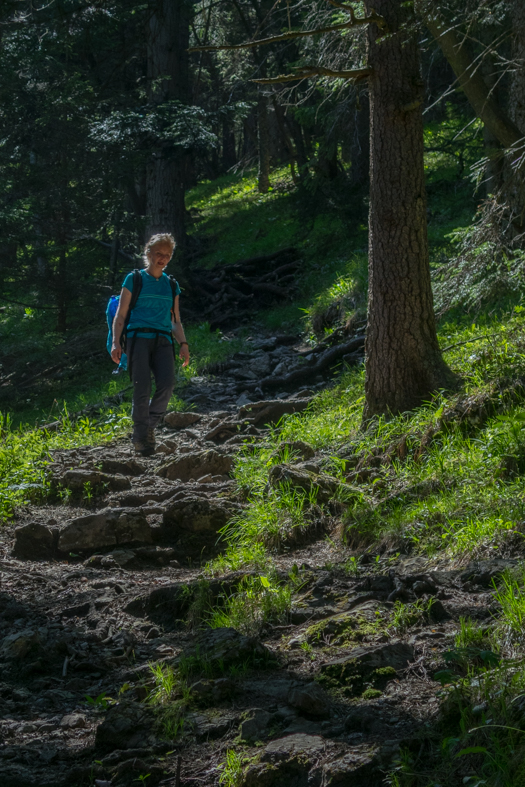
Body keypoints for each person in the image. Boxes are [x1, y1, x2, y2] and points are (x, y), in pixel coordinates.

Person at [111, 233, 190, 456]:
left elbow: (175, 320)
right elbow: (121, 315)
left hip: (163, 340)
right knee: (142, 387)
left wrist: (183, 343)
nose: (163, 258)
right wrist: (116, 343)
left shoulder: (171, 284)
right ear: (148, 254)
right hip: (138, 339)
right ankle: (140, 437)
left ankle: (149, 429)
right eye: (158, 254)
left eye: (167, 255)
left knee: (167, 384)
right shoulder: (134, 279)